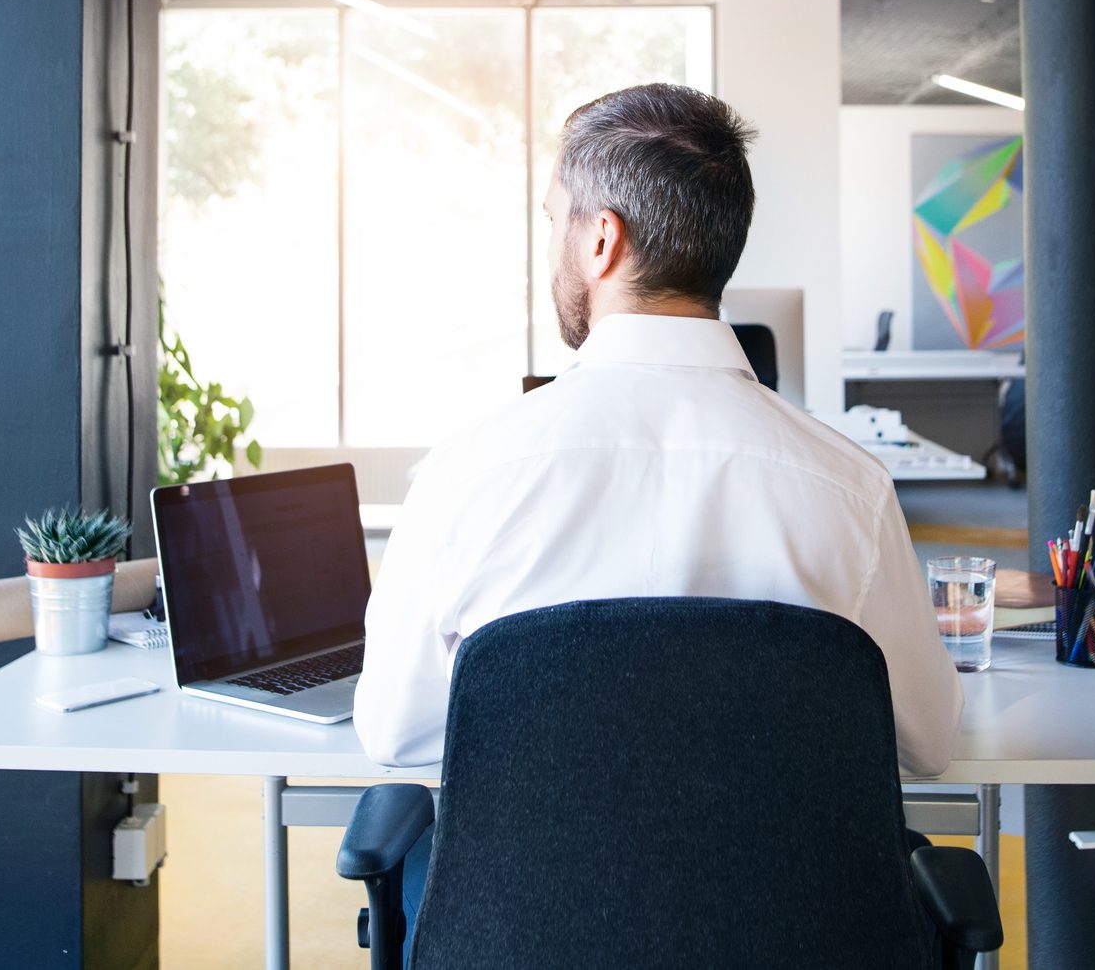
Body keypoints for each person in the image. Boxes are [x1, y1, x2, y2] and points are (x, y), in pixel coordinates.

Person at [355, 82, 962, 783]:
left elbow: (393, 733)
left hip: (533, 891)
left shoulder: (466, 474)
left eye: (554, 222)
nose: (551, 245)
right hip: (773, 892)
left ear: (600, 240)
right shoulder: (851, 490)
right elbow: (926, 743)